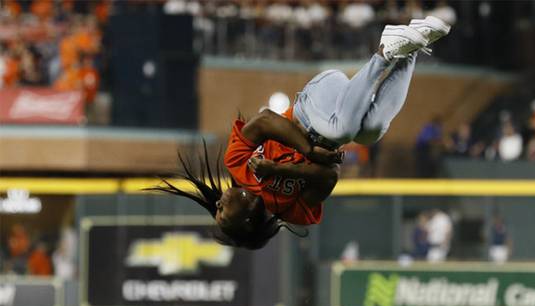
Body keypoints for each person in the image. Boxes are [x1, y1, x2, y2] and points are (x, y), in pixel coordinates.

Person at [151, 17, 451, 250]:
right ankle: (412, 46)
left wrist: (306, 153)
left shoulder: (236, 163)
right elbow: (330, 177)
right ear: (245, 221)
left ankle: (385, 52)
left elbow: (266, 120)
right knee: (370, 132)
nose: (218, 205)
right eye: (222, 215)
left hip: (314, 102)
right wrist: (280, 168)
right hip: (342, 115)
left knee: (344, 128)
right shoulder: (294, 212)